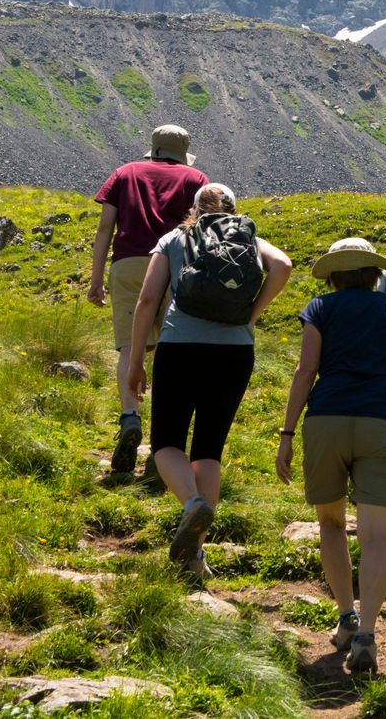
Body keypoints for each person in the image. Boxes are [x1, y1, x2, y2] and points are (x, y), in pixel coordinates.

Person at [276, 237, 386, 676]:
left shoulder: (320, 309)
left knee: (330, 524)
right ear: (374, 274)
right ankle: (368, 633)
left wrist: (287, 433)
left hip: (325, 419)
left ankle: (346, 617)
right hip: (381, 425)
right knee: (375, 538)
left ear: (333, 274)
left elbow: (305, 371)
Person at [125, 183, 291, 581]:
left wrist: (135, 361)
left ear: (194, 210)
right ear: (235, 210)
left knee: (167, 442)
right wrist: (250, 317)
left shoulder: (175, 238)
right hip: (235, 352)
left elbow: (147, 301)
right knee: (208, 450)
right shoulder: (248, 238)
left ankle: (191, 503)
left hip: (181, 346)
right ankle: (195, 559)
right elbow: (283, 265)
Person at [87, 124, 209, 475]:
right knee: (172, 349)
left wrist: (96, 279)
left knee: (129, 347)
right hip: (173, 264)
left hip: (127, 264)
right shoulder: (195, 178)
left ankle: (129, 416)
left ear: (153, 148)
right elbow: (202, 229)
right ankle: (164, 442)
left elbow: (104, 229)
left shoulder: (124, 173)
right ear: (182, 152)